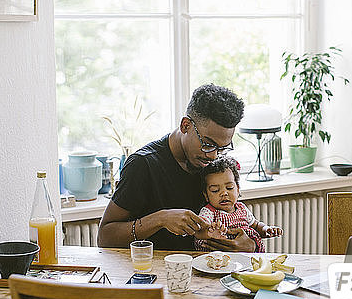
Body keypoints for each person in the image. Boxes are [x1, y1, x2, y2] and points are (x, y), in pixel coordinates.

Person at [97, 84, 256, 252]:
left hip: (211, 270)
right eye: (208, 144)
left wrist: (250, 245)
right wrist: (160, 219)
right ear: (185, 125)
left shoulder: (212, 163)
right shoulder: (143, 165)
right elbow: (104, 237)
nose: (213, 156)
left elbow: (237, 222)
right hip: (159, 272)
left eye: (221, 148)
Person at [194, 156, 283, 251]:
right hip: (218, 259)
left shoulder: (242, 208)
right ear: (206, 195)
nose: (224, 193)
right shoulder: (208, 212)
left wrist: (266, 229)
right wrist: (210, 232)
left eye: (229, 187)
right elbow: (198, 232)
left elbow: (256, 225)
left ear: (238, 189)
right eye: (215, 190)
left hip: (246, 257)